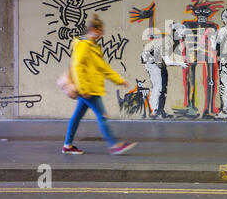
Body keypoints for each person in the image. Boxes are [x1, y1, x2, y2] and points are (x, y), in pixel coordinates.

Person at [62, 14, 137, 155]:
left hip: (91, 88)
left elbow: (103, 67)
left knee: (77, 116)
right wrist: (83, 89)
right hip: (88, 89)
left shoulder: (93, 47)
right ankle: (115, 145)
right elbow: (77, 66)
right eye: (100, 31)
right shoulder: (84, 45)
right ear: (93, 29)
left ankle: (68, 145)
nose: (101, 34)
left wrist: (119, 80)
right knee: (103, 116)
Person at [141, 23, 187, 119]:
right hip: (152, 61)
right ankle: (154, 111)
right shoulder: (167, 41)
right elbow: (167, 60)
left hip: (159, 61)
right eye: (181, 33)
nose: (182, 35)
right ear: (175, 32)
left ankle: (160, 110)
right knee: (158, 87)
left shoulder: (173, 41)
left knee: (163, 87)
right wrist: (181, 64)